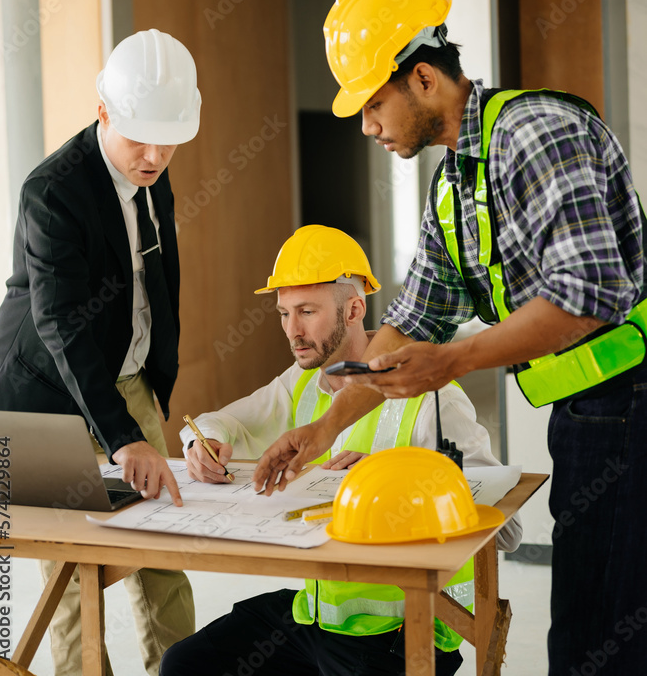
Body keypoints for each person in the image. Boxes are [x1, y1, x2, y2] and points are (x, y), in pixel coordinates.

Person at [253, 0, 647, 676]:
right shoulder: (453, 186)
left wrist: (455, 361)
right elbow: (405, 326)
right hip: (588, 410)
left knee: (602, 642)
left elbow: (590, 293)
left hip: (634, 402)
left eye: (374, 104)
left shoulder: (535, 134)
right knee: (590, 634)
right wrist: (324, 428)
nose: (368, 126)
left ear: (425, 78)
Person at [161, 224, 521, 676]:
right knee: (186, 664)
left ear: (353, 309)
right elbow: (223, 421)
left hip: (403, 631)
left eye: (307, 311)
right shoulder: (302, 383)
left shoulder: (430, 394)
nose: (293, 331)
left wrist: (388, 483)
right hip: (317, 614)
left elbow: (506, 530)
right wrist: (201, 442)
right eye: (284, 313)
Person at [0, 28, 201, 675]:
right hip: (44, 396)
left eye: (169, 139)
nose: (156, 155)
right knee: (76, 575)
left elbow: (154, 282)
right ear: (104, 111)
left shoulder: (153, 173)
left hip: (125, 376)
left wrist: (153, 392)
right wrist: (120, 435)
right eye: (141, 137)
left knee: (163, 552)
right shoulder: (53, 191)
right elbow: (62, 326)